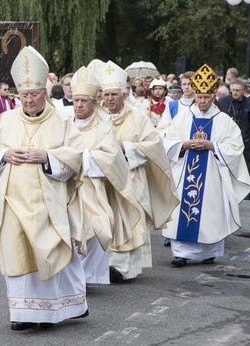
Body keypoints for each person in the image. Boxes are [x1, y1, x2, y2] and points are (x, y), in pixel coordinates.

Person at [0, 46, 87, 331]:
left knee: (48, 253)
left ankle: (47, 314)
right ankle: (21, 313)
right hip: (11, 202)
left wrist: (48, 157)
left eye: (34, 94)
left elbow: (77, 155)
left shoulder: (62, 121)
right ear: (18, 95)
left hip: (48, 204)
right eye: (24, 95)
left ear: (44, 93)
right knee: (16, 254)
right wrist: (3, 155)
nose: (28, 99)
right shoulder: (3, 121)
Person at [95, 60, 178, 282]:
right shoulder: (98, 117)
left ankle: (123, 268)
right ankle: (104, 266)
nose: (110, 99)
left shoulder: (138, 118)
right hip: (104, 178)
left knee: (129, 220)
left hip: (131, 177)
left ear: (124, 94)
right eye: (107, 94)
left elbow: (153, 145)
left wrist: (126, 147)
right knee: (108, 220)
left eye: (114, 94)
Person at [162, 64, 250, 266]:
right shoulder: (183, 117)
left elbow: (236, 147)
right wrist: (184, 144)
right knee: (181, 212)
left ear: (214, 97)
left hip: (212, 173)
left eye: (207, 98)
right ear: (195, 95)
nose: (202, 101)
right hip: (185, 171)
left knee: (211, 211)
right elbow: (167, 140)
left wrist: (213, 146)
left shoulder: (224, 121)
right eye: (199, 97)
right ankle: (181, 254)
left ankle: (208, 252)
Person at [68, 64, 144, 285]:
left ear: (94, 102)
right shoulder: (64, 124)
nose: (79, 105)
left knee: (97, 229)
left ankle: (88, 277)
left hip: (94, 189)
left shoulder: (103, 126)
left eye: (84, 101)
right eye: (76, 100)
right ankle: (74, 279)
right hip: (66, 187)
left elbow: (110, 157)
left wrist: (79, 158)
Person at [217, 79, 250, 200]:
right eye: (233, 90)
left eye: (237, 90)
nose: (234, 93)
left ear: (244, 91)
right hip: (228, 139)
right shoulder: (224, 101)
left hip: (246, 137)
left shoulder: (249, 103)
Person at [157, 71, 196, 136]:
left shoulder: (203, 104)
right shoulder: (172, 106)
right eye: (184, 84)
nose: (186, 87)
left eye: (190, 84)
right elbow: (162, 128)